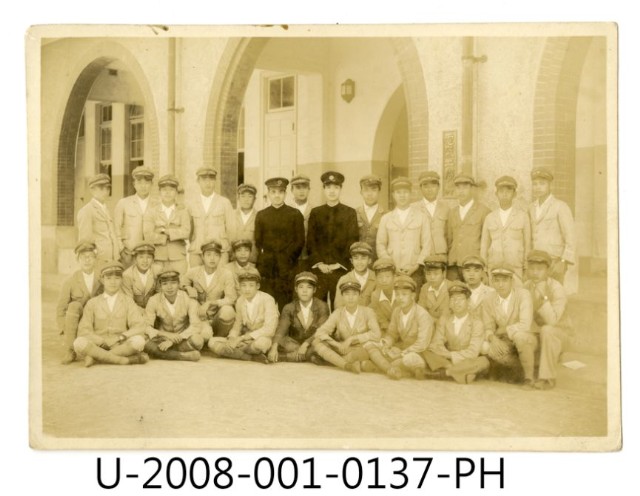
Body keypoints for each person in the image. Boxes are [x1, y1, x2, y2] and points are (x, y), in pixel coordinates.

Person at [73, 262, 150, 367]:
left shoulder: (128, 301)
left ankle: (96, 358)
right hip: (97, 344)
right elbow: (83, 330)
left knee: (139, 341)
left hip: (120, 345)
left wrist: (121, 337)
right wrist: (101, 341)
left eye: (117, 278)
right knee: (78, 342)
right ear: (102, 280)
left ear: (121, 280)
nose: (113, 282)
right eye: (108, 278)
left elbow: (139, 326)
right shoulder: (93, 302)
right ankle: (123, 360)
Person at [363, 275, 433, 380]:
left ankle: (379, 368)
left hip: (418, 353)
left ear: (413, 296)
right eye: (398, 294)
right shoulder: (397, 311)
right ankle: (392, 369)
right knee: (370, 344)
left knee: (408, 359)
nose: (400, 298)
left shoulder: (422, 314)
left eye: (404, 295)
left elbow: (422, 344)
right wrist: (386, 344)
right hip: (401, 349)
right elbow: (392, 334)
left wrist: (401, 353)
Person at [524, 250, 573, 390]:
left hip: (561, 333)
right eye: (532, 269)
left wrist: (544, 299)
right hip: (537, 331)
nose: (535, 273)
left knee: (548, 330)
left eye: (539, 269)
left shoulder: (557, 288)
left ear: (548, 270)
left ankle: (547, 377)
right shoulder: (526, 286)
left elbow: (552, 321)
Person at [307, 171, 359, 303]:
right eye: (328, 187)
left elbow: (352, 241)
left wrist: (338, 264)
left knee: (340, 306)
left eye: (336, 187)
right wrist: (320, 264)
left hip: (340, 269)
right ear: (324, 189)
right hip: (320, 270)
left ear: (341, 189)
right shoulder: (316, 212)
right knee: (319, 306)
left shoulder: (349, 212)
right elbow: (311, 241)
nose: (332, 191)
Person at [422, 281, 490, 384]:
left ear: (468, 301)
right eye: (453, 299)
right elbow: (436, 344)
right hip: (446, 359)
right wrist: (446, 355)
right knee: (426, 351)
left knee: (483, 362)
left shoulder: (477, 323)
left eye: (460, 299)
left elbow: (472, 352)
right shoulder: (444, 319)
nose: (456, 302)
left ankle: (445, 373)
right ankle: (461, 373)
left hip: (465, 359)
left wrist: (450, 355)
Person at [482, 264, 537, 389]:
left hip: (527, 337)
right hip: (505, 340)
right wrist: (493, 339)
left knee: (520, 337)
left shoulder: (523, 294)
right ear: (492, 282)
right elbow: (488, 326)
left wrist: (502, 330)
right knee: (487, 347)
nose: (500, 285)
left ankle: (529, 378)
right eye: (497, 280)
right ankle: (518, 369)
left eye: (505, 280)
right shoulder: (488, 299)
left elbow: (525, 324)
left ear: (512, 281)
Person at [254, 177, 305, 310]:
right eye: (273, 192)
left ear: (285, 194)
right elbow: (258, 241)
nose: (277, 195)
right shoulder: (261, 215)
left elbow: (299, 241)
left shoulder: (294, 214)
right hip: (268, 268)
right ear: (269, 194)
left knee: (286, 305)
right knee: (267, 303)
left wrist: (287, 257)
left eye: (280, 192)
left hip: (287, 267)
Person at [208, 268, 279, 363]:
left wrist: (241, 339)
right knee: (212, 342)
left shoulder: (267, 299)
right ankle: (251, 357)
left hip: (261, 337)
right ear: (239, 287)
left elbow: (269, 329)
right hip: (245, 341)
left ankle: (237, 353)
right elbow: (238, 324)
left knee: (261, 344)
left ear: (258, 286)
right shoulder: (240, 300)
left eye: (251, 285)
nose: (247, 289)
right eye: (243, 285)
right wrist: (232, 338)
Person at [312, 281, 381, 374]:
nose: (350, 298)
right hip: (342, 348)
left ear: (359, 296)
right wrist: (337, 345)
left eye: (354, 294)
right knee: (317, 342)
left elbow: (376, 334)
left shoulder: (368, 312)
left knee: (365, 352)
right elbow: (320, 332)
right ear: (342, 296)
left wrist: (352, 338)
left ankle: (334, 361)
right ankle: (349, 365)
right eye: (347, 294)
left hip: (360, 349)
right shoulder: (338, 313)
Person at [377, 176, 432, 292]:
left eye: (405, 192)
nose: (402, 196)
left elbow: (427, 244)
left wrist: (416, 265)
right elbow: (380, 244)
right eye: (398, 192)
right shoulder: (386, 218)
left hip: (415, 271)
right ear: (393, 195)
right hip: (392, 271)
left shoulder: (421, 217)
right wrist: (391, 265)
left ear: (411, 194)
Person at [143, 269, 211, 362]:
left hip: (182, 337)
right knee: (143, 339)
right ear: (160, 286)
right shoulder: (154, 300)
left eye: (173, 283)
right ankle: (181, 355)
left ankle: (163, 352)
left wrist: (173, 340)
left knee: (198, 340)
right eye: (165, 284)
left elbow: (195, 325)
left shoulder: (188, 298)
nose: (169, 287)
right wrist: (166, 335)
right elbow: (146, 326)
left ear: (179, 284)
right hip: (163, 338)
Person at [56, 241, 103, 364]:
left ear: (95, 259)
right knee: (74, 305)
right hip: (79, 321)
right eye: (83, 257)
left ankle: (93, 353)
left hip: (98, 319)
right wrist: (64, 328)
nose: (87, 260)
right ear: (77, 260)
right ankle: (70, 350)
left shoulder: (103, 278)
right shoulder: (70, 281)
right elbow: (61, 309)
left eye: (90, 257)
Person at [268, 272, 330, 363]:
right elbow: (281, 329)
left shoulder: (322, 306)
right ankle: (309, 356)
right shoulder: (289, 307)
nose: (304, 291)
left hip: (313, 341)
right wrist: (274, 348)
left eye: (309, 287)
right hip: (294, 343)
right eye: (301, 287)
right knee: (279, 343)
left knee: (324, 345)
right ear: (296, 289)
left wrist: (305, 344)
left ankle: (284, 357)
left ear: (314, 290)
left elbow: (321, 330)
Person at [528, 167, 576, 284]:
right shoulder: (531, 208)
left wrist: (563, 261)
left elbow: (570, 237)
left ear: (550, 185)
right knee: (537, 296)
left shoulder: (560, 206)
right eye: (535, 184)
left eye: (542, 184)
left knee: (554, 295)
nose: (538, 187)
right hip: (535, 261)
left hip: (554, 261)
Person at [181, 239, 237, 338]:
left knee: (228, 312)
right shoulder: (194, 272)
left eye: (216, 255)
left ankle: (219, 337)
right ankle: (206, 337)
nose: (212, 258)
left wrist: (212, 303)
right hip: (198, 316)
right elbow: (180, 284)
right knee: (205, 336)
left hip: (216, 316)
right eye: (208, 255)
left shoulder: (226, 274)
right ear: (202, 257)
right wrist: (187, 287)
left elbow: (231, 298)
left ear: (220, 257)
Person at [480, 175, 531, 281]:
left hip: (516, 267)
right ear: (496, 194)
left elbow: (527, 244)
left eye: (508, 191)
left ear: (514, 194)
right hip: (494, 266)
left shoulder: (523, 216)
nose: (505, 194)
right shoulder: (490, 217)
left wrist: (526, 268)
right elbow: (484, 245)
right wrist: (484, 269)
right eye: (501, 191)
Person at [143, 174, 191, 275]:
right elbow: (148, 235)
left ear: (176, 192)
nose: (168, 193)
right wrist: (167, 237)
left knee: (180, 284)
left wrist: (165, 231)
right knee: (158, 286)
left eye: (171, 190)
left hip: (178, 257)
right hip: (158, 257)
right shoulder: (151, 212)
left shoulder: (183, 211)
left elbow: (186, 232)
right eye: (164, 189)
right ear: (159, 192)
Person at [187, 167, 235, 267]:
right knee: (197, 281)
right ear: (198, 181)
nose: (208, 183)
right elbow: (189, 230)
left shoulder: (224, 202)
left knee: (220, 280)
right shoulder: (191, 203)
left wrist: (228, 250)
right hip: (197, 251)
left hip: (220, 251)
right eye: (204, 180)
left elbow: (231, 230)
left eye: (211, 180)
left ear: (215, 181)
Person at [446, 174, 491, 280]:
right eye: (458, 187)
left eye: (465, 187)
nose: (461, 191)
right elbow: (449, 239)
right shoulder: (452, 212)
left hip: (473, 265)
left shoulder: (484, 211)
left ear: (472, 189)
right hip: (454, 265)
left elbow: (487, 242)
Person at [114, 165, 156, 268]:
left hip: (151, 254)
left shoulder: (157, 204)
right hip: (129, 254)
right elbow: (116, 228)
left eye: (146, 182)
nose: (143, 186)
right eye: (139, 182)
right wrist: (121, 250)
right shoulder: (124, 203)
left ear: (152, 184)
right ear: (134, 184)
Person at [76, 173, 121, 265]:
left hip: (113, 259)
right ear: (92, 190)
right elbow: (85, 242)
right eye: (101, 189)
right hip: (99, 260)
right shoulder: (87, 211)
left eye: (107, 189)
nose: (105, 192)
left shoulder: (107, 209)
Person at [412, 170, 449, 256]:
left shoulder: (446, 208)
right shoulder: (413, 209)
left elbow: (449, 235)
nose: (430, 190)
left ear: (439, 187)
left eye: (433, 186)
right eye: (426, 186)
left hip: (441, 254)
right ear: (420, 188)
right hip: (421, 254)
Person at [333, 242, 376, 309]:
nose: (359, 262)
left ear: (369, 260)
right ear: (351, 261)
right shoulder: (344, 279)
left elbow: (379, 305)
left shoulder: (376, 278)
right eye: (356, 258)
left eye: (363, 258)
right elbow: (339, 306)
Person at [356, 174, 386, 260]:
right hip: (359, 262)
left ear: (379, 191)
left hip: (379, 261)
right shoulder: (354, 213)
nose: (370, 194)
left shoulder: (386, 215)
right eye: (366, 190)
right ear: (361, 192)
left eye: (374, 190)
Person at [121, 242, 157, 309]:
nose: (145, 261)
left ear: (153, 260)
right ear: (135, 259)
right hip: (134, 312)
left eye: (149, 257)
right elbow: (129, 302)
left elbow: (160, 297)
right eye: (141, 257)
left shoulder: (157, 272)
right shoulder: (127, 275)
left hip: (153, 310)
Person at [368, 257, 399, 334]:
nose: (384, 280)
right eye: (380, 277)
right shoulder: (375, 296)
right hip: (386, 331)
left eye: (387, 276)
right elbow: (380, 319)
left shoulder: (402, 293)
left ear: (394, 277)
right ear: (376, 279)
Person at [289, 174, 313, 271]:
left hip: (310, 258)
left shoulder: (315, 210)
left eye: (305, 187)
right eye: (298, 188)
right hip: (291, 259)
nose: (301, 191)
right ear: (291, 190)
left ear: (309, 189)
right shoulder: (287, 210)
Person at [417, 255, 452, 320]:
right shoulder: (425, 288)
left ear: (443, 273)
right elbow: (421, 311)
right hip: (428, 324)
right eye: (428, 274)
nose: (432, 277)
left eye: (436, 274)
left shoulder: (451, 287)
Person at [231, 183, 259, 264]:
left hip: (252, 261)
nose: (246, 199)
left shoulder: (260, 216)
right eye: (243, 196)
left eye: (250, 196)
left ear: (254, 199)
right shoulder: (231, 215)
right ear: (238, 198)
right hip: (233, 260)